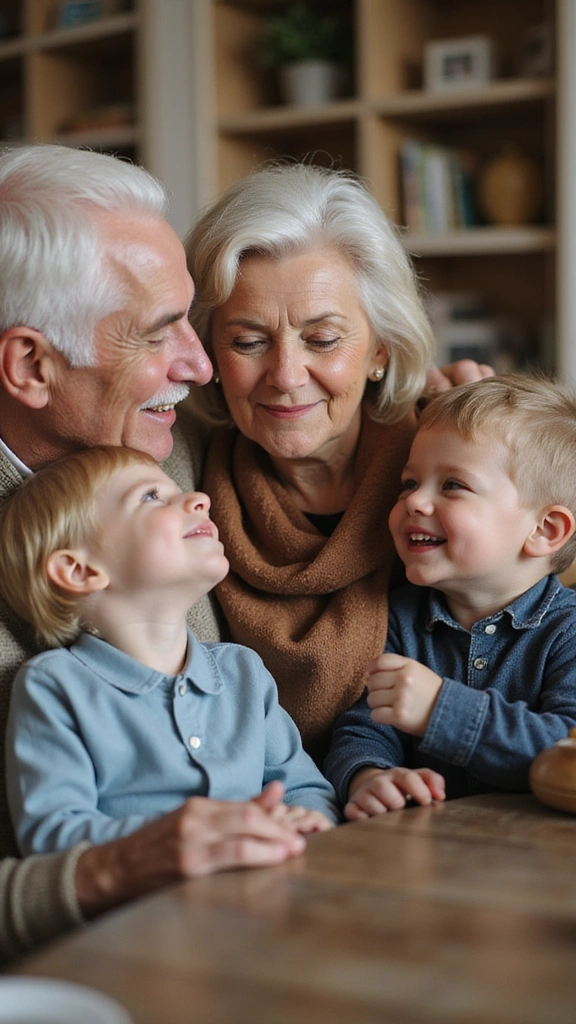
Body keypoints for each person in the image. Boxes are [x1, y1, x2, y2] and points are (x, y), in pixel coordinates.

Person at [0, 144, 314, 961]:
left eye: (192, 318)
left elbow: (321, 441)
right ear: (31, 363)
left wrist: (454, 418)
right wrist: (111, 869)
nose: (201, 365)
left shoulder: (166, 444)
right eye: (157, 332)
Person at [185, 162, 494, 764]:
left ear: (380, 348)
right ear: (210, 355)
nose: (287, 376)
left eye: (322, 339)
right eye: (248, 342)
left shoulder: (459, 463)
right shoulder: (182, 486)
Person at [1, 446, 337, 856]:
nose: (199, 499)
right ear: (80, 570)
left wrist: (307, 822)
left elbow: (306, 789)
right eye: (150, 497)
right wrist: (189, 835)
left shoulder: (242, 671)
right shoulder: (54, 687)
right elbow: (52, 835)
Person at [324, 374, 576, 819]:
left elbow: (566, 750)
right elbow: (363, 726)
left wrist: (441, 710)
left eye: (453, 485)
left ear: (544, 530)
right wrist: (368, 775)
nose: (415, 502)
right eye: (409, 482)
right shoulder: (397, 618)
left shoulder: (568, 631)